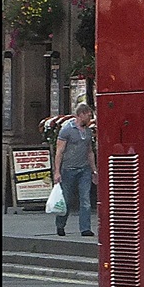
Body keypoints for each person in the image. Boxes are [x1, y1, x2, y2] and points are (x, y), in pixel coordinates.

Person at [52, 102, 96, 237]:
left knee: (85, 199)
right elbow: (59, 151)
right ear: (81, 115)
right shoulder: (66, 130)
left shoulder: (88, 131)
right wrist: (57, 171)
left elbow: (90, 152)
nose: (90, 118)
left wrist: (94, 170)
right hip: (68, 169)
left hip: (84, 169)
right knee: (66, 199)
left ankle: (85, 228)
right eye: (88, 115)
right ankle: (60, 225)